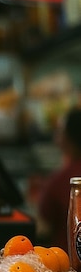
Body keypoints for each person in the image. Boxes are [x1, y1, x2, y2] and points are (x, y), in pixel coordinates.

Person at [37, 106, 81, 252]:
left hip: (66, 264)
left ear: (67, 138)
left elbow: (42, 228)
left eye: (60, 130)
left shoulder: (62, 180)